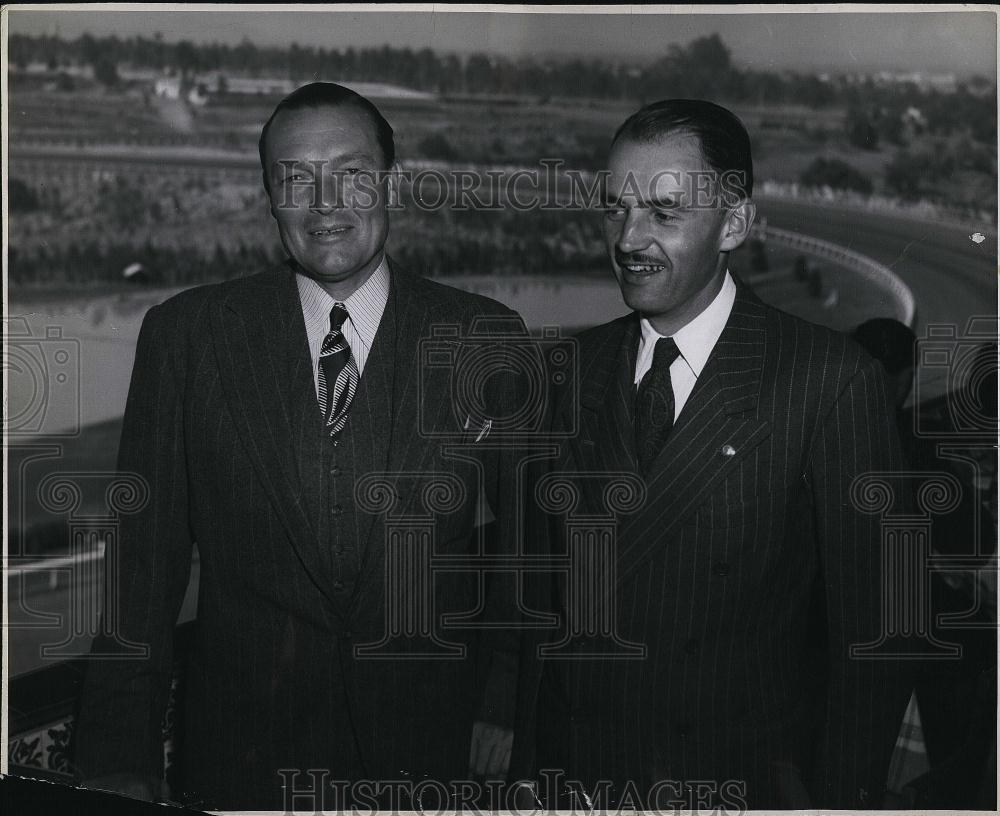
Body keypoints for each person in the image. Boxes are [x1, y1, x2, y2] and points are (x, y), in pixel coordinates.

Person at [73, 82, 523, 810]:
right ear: (270, 198)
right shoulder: (187, 336)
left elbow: (528, 544)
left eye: (349, 173)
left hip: (432, 756)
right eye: (295, 179)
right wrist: (120, 759)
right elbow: (141, 570)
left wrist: (505, 702)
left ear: (392, 184)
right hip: (241, 761)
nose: (324, 203)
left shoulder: (484, 336)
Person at [515, 100, 912, 810]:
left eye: (664, 213)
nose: (629, 238)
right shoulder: (567, 370)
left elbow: (875, 643)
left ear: (734, 224)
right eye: (615, 209)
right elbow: (539, 607)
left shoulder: (826, 381)